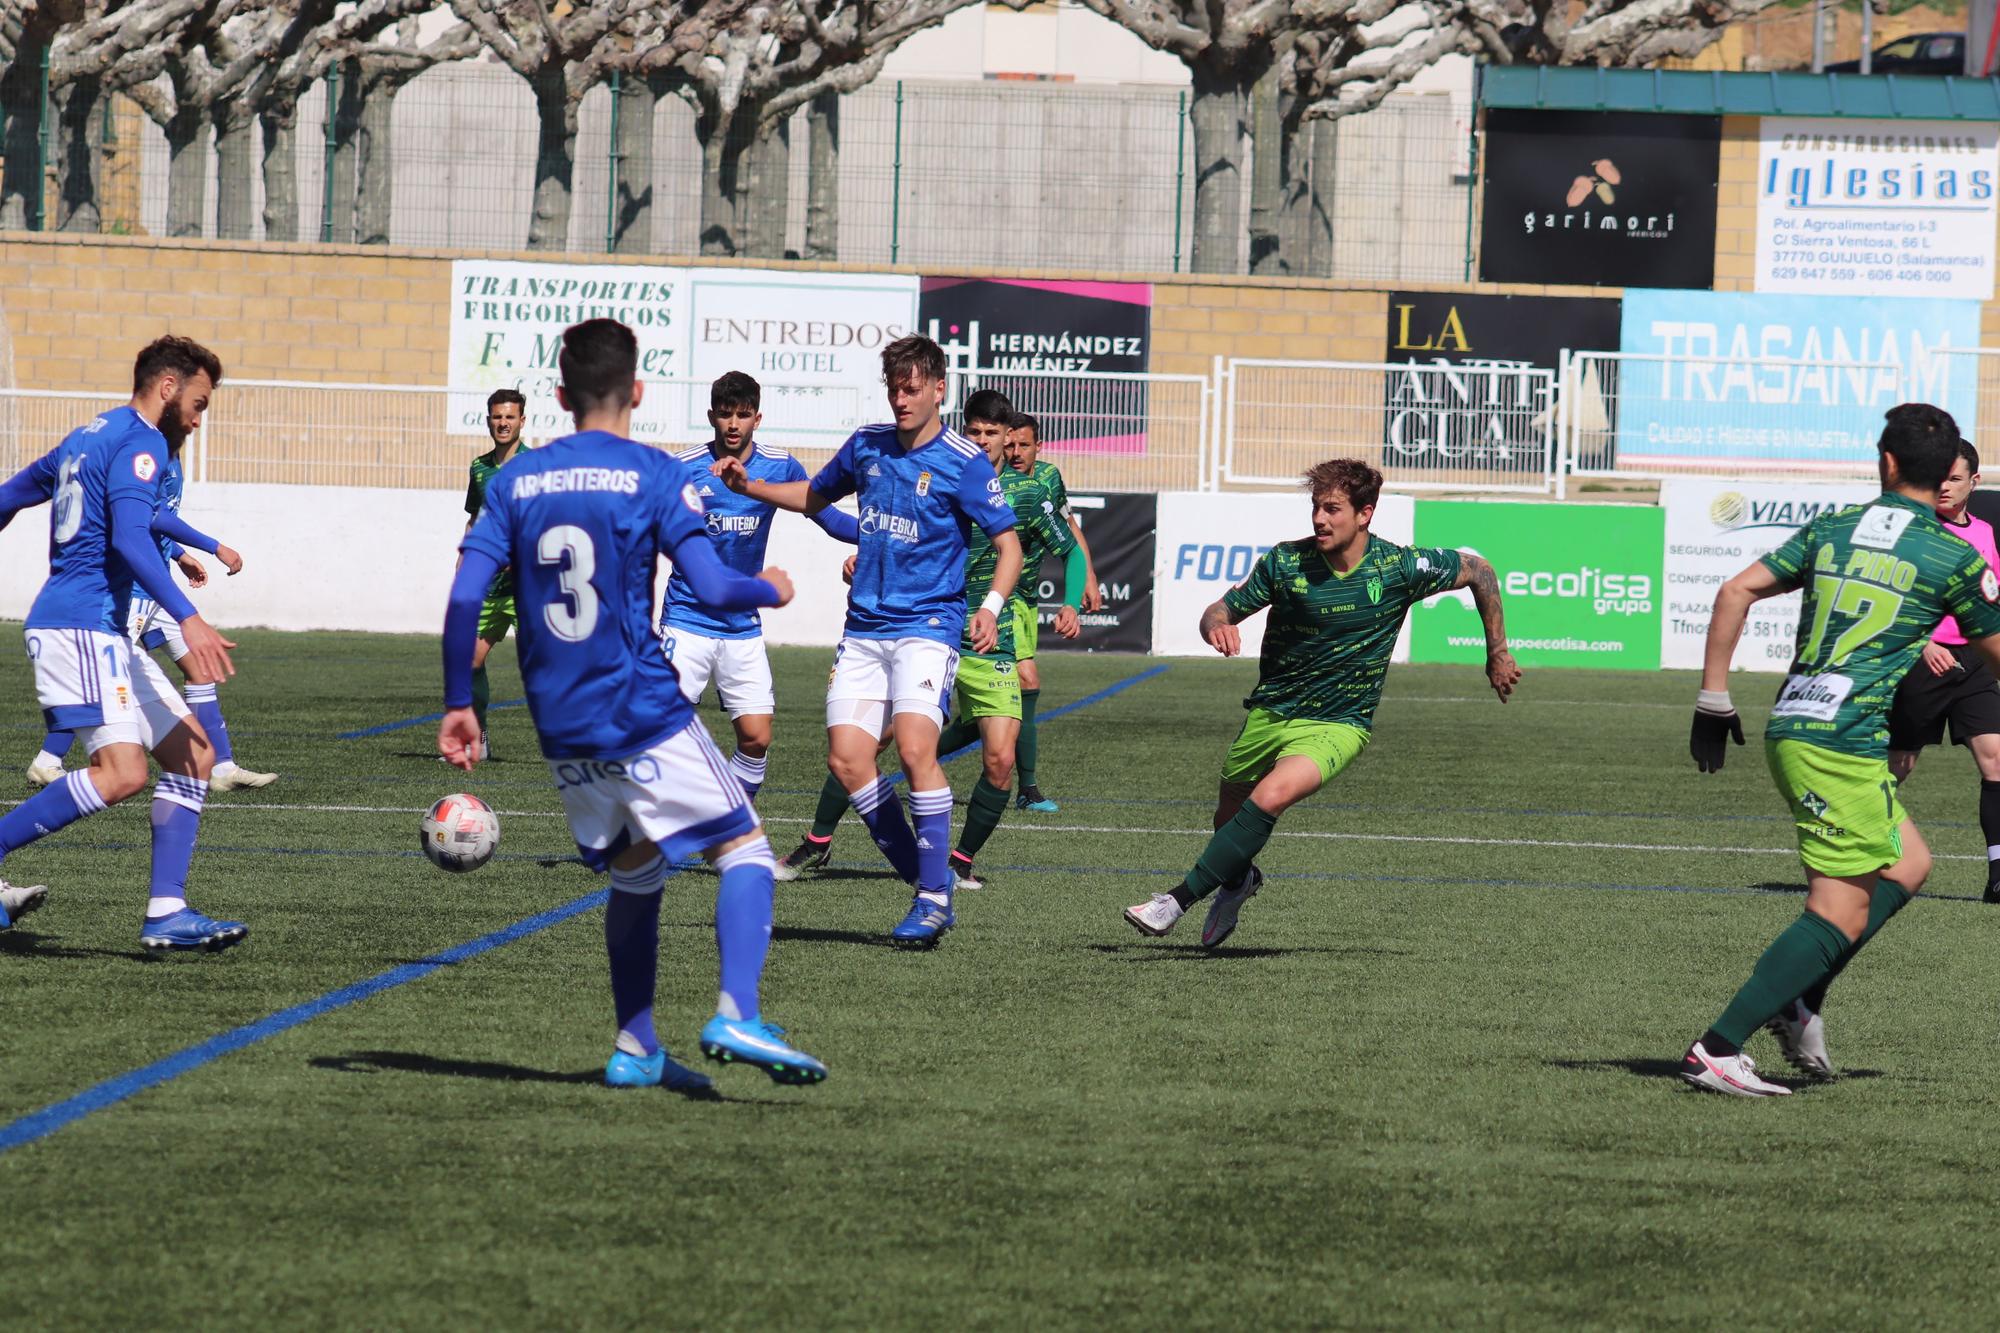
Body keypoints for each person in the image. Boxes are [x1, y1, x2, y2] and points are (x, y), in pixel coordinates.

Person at [440, 318, 825, 1091]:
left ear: (557, 395)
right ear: (638, 391)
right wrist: (771, 590)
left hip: (561, 724)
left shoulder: (516, 480)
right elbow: (715, 586)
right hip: (640, 704)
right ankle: (736, 1012)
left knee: (637, 872)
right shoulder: (652, 473)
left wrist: (459, 702)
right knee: (745, 847)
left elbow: (462, 599)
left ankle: (636, 1045)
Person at [1684, 403, 2000, 1095]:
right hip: (1840, 740)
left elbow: (1736, 589)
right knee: (1839, 908)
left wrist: (1714, 696)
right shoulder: (1954, 555)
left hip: (1804, 725)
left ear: (1885, 462)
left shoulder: (1832, 529)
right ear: (1949, 470)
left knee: (1911, 862)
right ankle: (1719, 1045)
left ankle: (1797, 1000)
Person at [1124, 458, 1517, 947]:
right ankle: (1238, 883)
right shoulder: (1286, 562)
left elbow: (1480, 570)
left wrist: (1497, 652)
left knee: (1269, 798)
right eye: (1316, 507)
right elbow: (1220, 608)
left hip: (1340, 722)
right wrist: (1216, 625)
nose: (1319, 519)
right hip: (1271, 711)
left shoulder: (1398, 567)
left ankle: (1173, 902)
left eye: (1332, 509)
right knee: (1228, 822)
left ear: (1365, 514)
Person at [715, 335, 1022, 947]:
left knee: (913, 750)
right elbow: (814, 496)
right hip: (864, 630)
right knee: (849, 761)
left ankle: (932, 896)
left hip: (927, 628)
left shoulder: (965, 461)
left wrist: (989, 607)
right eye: (894, 387)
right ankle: (925, 880)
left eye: (912, 388)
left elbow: (1009, 546)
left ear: (939, 389)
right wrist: (750, 488)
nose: (901, 399)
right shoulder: (867, 445)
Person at [776, 392, 1082, 891]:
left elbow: (1067, 546)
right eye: (975, 432)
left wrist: (1068, 596)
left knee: (996, 757)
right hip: (920, 626)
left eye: (993, 434)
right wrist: (868, 552)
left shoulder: (1029, 489)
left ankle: (954, 863)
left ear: (1010, 438)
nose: (983, 442)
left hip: (986, 633)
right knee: (868, 745)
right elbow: (881, 528)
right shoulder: (940, 464)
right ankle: (819, 840)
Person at [0, 336, 245, 951]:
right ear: (167, 387)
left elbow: (10, 496)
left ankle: (167, 913)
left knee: (193, 756)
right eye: (198, 401)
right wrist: (188, 617)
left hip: (102, 629)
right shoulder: (141, 442)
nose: (197, 416)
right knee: (122, 773)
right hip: (80, 624)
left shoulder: (88, 435)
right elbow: (134, 540)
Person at [27, 449, 275, 791]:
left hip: (158, 585)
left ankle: (222, 767)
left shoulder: (169, 452)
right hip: (133, 589)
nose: (196, 418)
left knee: (199, 669)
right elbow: (151, 516)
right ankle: (47, 760)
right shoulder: (148, 453)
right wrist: (213, 546)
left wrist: (179, 554)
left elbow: (148, 519)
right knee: (102, 675)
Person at [665, 372, 858, 802]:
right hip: (687, 618)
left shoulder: (779, 465)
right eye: (726, 415)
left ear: (758, 418)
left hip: (741, 624)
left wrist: (879, 536)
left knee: (756, 740)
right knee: (661, 733)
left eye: (743, 415)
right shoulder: (683, 469)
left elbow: (827, 517)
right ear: (711, 416)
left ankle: (723, 823)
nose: (734, 424)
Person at [1884, 440, 2000, 904]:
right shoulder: (1912, 531)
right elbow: (1889, 598)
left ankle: (1998, 873)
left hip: (1971, 666)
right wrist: (1924, 643)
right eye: (1938, 478)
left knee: (1995, 759)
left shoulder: (1987, 532)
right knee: (1898, 767)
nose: (1944, 487)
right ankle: (1852, 846)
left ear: (1975, 482)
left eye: (1954, 479)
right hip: (1918, 663)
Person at [1004, 413, 1100, 813]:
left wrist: (1088, 577)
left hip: (1024, 599)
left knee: (996, 707)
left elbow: (1068, 528)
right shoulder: (984, 479)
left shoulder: (1046, 479)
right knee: (1024, 684)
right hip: (992, 599)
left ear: (1037, 446)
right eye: (1009, 444)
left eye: (1023, 445)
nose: (1015, 452)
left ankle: (915, 756)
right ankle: (1027, 788)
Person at [458, 388, 529, 761]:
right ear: (489, 420)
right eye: (497, 417)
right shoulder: (479, 467)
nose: (503, 423)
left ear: (522, 420)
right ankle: (478, 741)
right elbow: (474, 520)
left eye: (510, 417)